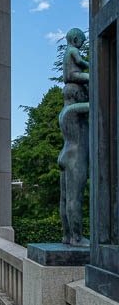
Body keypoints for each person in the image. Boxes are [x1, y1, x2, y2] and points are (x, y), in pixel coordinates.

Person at [58, 83, 90, 247]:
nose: (86, 96)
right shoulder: (73, 110)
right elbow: (97, 103)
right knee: (74, 199)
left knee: (65, 199)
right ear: (77, 95)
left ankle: (67, 236)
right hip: (75, 157)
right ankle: (77, 237)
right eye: (83, 93)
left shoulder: (64, 112)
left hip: (66, 154)